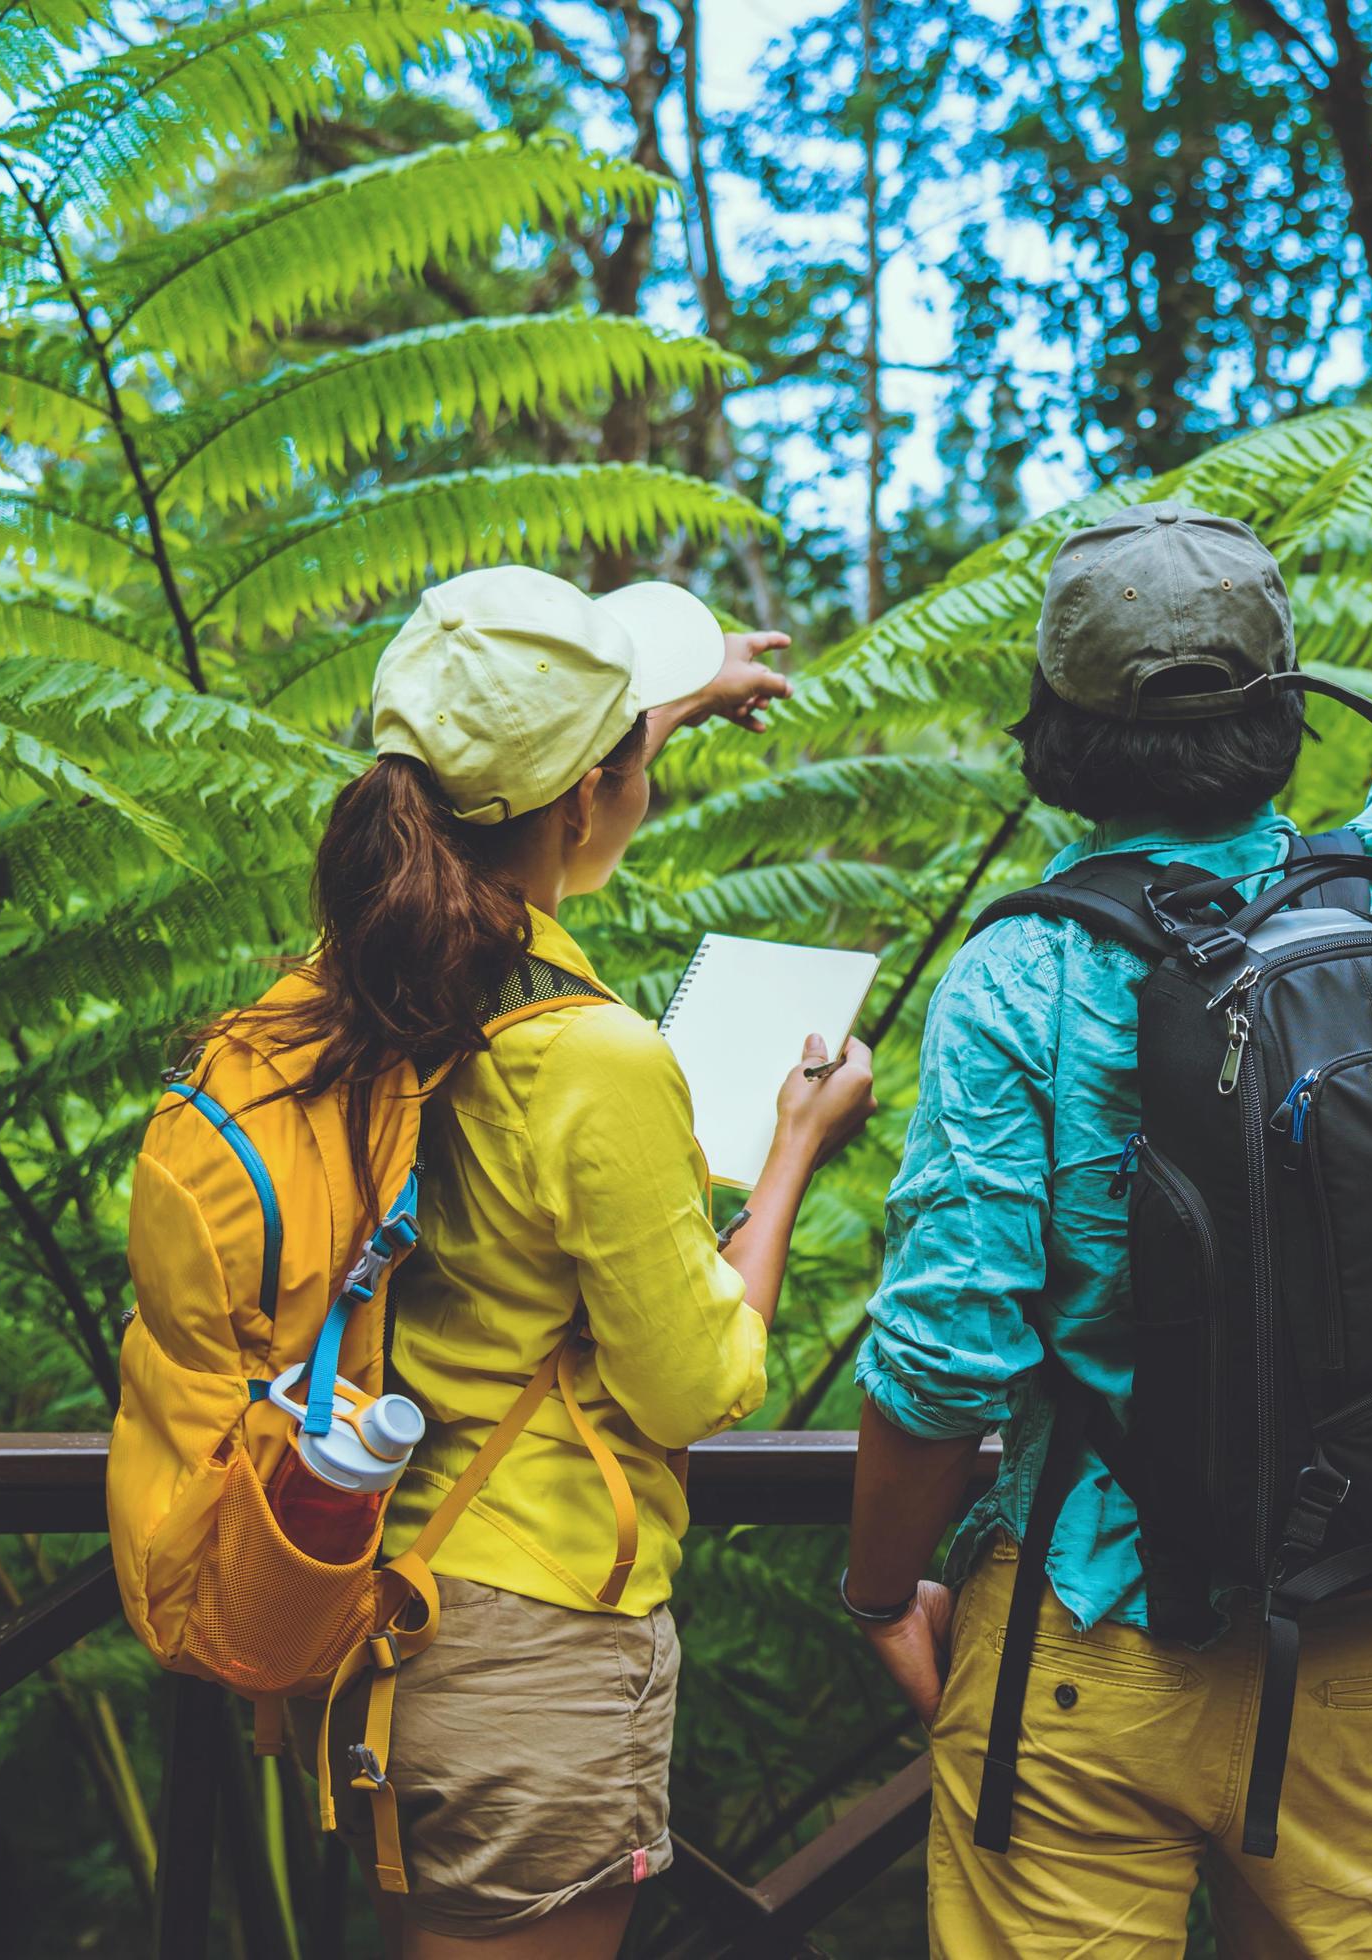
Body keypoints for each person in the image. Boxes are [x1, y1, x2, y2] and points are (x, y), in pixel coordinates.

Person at [841, 129, 1372, 1954]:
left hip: (1088, 1647)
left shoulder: (1019, 981)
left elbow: (942, 1360)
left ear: (1053, 739)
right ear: (1288, 723)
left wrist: (886, 1585)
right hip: (1350, 1635)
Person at [276, 566, 876, 1957]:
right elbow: (695, 1384)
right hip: (530, 1649)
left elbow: (507, 811)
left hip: (387, 1605)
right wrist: (792, 1147)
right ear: (585, 801)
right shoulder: (596, 1061)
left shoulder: (364, 973)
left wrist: (664, 707)